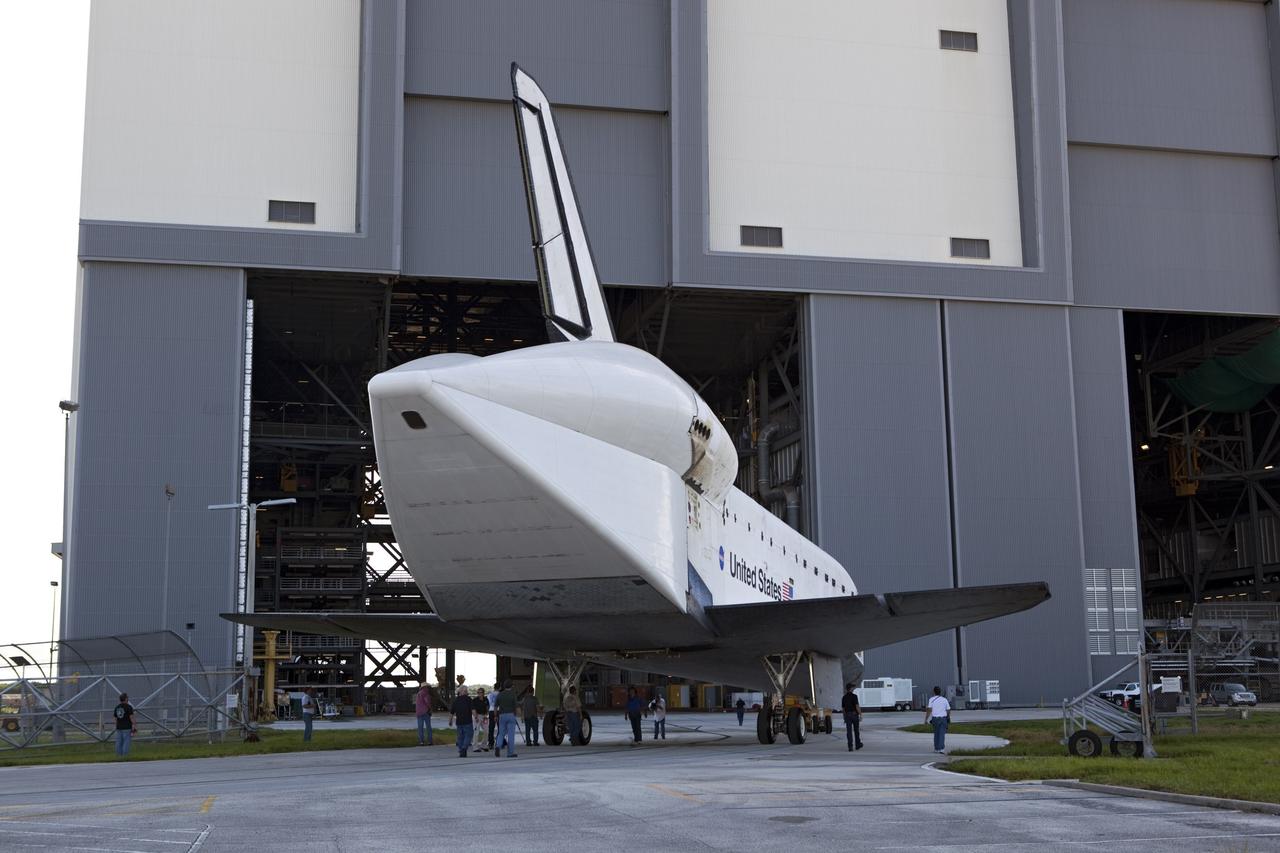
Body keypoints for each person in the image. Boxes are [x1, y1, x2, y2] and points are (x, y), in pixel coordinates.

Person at [495, 679, 519, 758]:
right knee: (511, 735)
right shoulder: (513, 695)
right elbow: (516, 706)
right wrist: (517, 714)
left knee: (501, 733)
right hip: (511, 715)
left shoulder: (500, 694)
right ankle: (510, 753)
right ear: (511, 686)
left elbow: (495, 706)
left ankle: (498, 746)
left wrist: (495, 716)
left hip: (502, 715)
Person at [924, 686, 951, 754]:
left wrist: (926, 719)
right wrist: (948, 717)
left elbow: (929, 710)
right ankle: (941, 748)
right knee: (941, 734)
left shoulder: (931, 699)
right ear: (940, 692)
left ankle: (936, 748)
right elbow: (948, 709)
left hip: (935, 719)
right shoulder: (944, 699)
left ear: (934, 692)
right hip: (943, 719)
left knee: (936, 733)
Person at [450, 686, 474, 757]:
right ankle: (464, 748)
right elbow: (473, 710)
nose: (467, 692)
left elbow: (452, 712)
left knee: (460, 737)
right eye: (466, 691)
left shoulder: (456, 700)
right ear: (463, 691)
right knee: (469, 735)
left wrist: (450, 721)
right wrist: (475, 716)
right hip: (468, 721)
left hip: (459, 722)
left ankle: (461, 750)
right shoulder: (469, 699)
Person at [112, 692, 136, 757]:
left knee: (118, 742)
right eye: (127, 698)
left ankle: (118, 755)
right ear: (125, 699)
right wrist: (134, 726)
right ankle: (125, 755)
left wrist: (116, 725)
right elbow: (131, 718)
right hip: (127, 727)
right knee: (126, 742)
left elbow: (114, 718)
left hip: (119, 727)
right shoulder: (129, 707)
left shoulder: (117, 707)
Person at [841, 683, 863, 751]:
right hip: (854, 715)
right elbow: (857, 706)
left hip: (847, 715)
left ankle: (850, 746)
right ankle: (857, 745)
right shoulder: (854, 696)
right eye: (853, 687)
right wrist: (860, 714)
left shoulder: (844, 697)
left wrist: (844, 717)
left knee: (849, 732)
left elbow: (843, 709)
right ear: (850, 688)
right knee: (856, 731)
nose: (853, 689)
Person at [486, 684, 500, 753]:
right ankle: (499, 742)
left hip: (491, 711)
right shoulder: (501, 695)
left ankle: (491, 743)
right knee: (500, 728)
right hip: (499, 711)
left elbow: (488, 704)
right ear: (500, 688)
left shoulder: (489, 695)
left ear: (494, 687)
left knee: (491, 727)